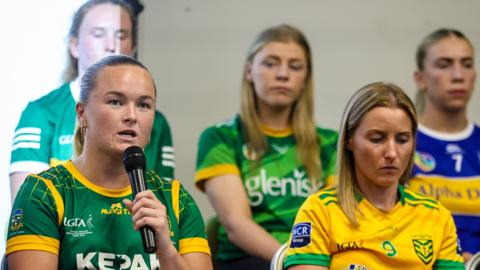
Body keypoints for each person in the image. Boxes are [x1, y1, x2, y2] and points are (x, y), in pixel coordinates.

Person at [6, 55, 212, 270]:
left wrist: (166, 250)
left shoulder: (176, 198)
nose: (132, 116)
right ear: (82, 113)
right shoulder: (44, 192)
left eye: (144, 105)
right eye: (116, 102)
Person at [194, 24, 338, 269]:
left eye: (295, 66)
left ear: (305, 78)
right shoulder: (221, 137)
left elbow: (338, 219)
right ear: (249, 71)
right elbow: (236, 224)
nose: (283, 74)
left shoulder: (330, 142)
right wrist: (290, 259)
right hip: (249, 259)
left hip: (317, 258)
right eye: (270, 63)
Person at [283, 82, 464, 269]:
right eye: (377, 139)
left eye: (402, 140)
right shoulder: (320, 211)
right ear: (349, 141)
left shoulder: (436, 216)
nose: (392, 153)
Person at [9, 0, 175, 201]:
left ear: (132, 47)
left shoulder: (157, 123)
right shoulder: (41, 113)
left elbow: (165, 206)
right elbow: (28, 209)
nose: (111, 45)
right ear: (74, 45)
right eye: (98, 34)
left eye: (121, 35)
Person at [408, 28, 479, 261]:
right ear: (420, 78)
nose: (458, 75)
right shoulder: (400, 143)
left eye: (467, 64)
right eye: (444, 64)